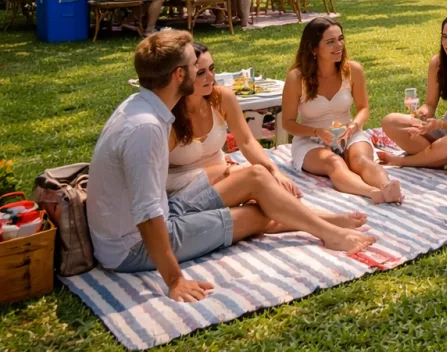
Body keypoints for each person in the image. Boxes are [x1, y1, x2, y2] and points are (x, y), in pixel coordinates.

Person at [87, 31, 374, 303]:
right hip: (132, 246)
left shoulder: (141, 106)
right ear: (179, 75)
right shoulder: (145, 128)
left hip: (167, 210)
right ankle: (329, 232)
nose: (208, 74)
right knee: (255, 215)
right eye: (194, 67)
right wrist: (175, 281)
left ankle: (326, 226)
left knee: (256, 176)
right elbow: (147, 214)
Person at [169, 42, 371, 235]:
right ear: (181, 76)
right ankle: (324, 223)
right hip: (183, 190)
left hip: (225, 178)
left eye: (212, 68)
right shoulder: (168, 114)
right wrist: (224, 170)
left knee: (265, 199)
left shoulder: (222, 98)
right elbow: (158, 177)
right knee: (259, 194)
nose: (211, 77)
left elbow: (247, 142)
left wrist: (274, 170)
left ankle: (322, 220)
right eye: (201, 73)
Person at [282, 18, 403, 203]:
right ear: (314, 49)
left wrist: (355, 125)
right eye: (330, 42)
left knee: (360, 159)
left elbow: (363, 109)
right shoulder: (297, 78)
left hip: (349, 132)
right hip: (311, 139)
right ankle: (372, 193)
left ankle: (387, 187)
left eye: (340, 38)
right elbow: (287, 124)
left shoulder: (353, 70)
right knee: (334, 163)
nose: (339, 45)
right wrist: (317, 132)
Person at [379, 12, 447, 169]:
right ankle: (440, 157)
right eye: (444, 36)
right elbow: (430, 104)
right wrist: (422, 114)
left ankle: (407, 161)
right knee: (391, 121)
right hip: (444, 130)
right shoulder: (437, 63)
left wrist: (440, 124)